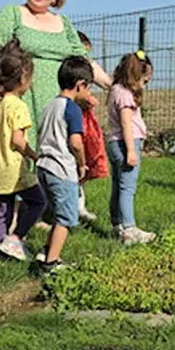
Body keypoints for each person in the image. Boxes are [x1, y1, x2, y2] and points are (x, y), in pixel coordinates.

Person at [0, 0, 113, 247]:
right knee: (13, 164)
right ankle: (2, 233)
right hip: (19, 102)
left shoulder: (63, 24)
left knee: (42, 164)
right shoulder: (12, 15)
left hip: (52, 108)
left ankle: (12, 227)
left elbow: (83, 61)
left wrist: (110, 84)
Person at [0, 42, 48, 260]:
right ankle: (16, 238)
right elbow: (18, 141)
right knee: (39, 202)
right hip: (14, 170)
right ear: (23, 79)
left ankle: (0, 252)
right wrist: (34, 155)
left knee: (2, 212)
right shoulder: (18, 105)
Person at [35, 57, 95, 272]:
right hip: (62, 169)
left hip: (44, 166)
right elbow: (76, 142)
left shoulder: (50, 105)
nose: (89, 93)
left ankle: (47, 252)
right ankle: (51, 264)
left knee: (57, 215)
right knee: (66, 218)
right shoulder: (72, 109)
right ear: (80, 85)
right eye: (88, 88)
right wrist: (82, 163)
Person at [105, 51, 157, 245]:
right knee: (127, 188)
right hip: (125, 143)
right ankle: (130, 229)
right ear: (136, 75)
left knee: (117, 186)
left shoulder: (115, 90)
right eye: (145, 80)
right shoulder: (126, 95)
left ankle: (117, 224)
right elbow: (126, 123)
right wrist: (131, 151)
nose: (145, 84)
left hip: (113, 142)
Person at [75, 32, 108, 221]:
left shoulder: (86, 68)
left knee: (84, 163)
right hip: (73, 119)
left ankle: (80, 205)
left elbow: (104, 81)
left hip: (85, 122)